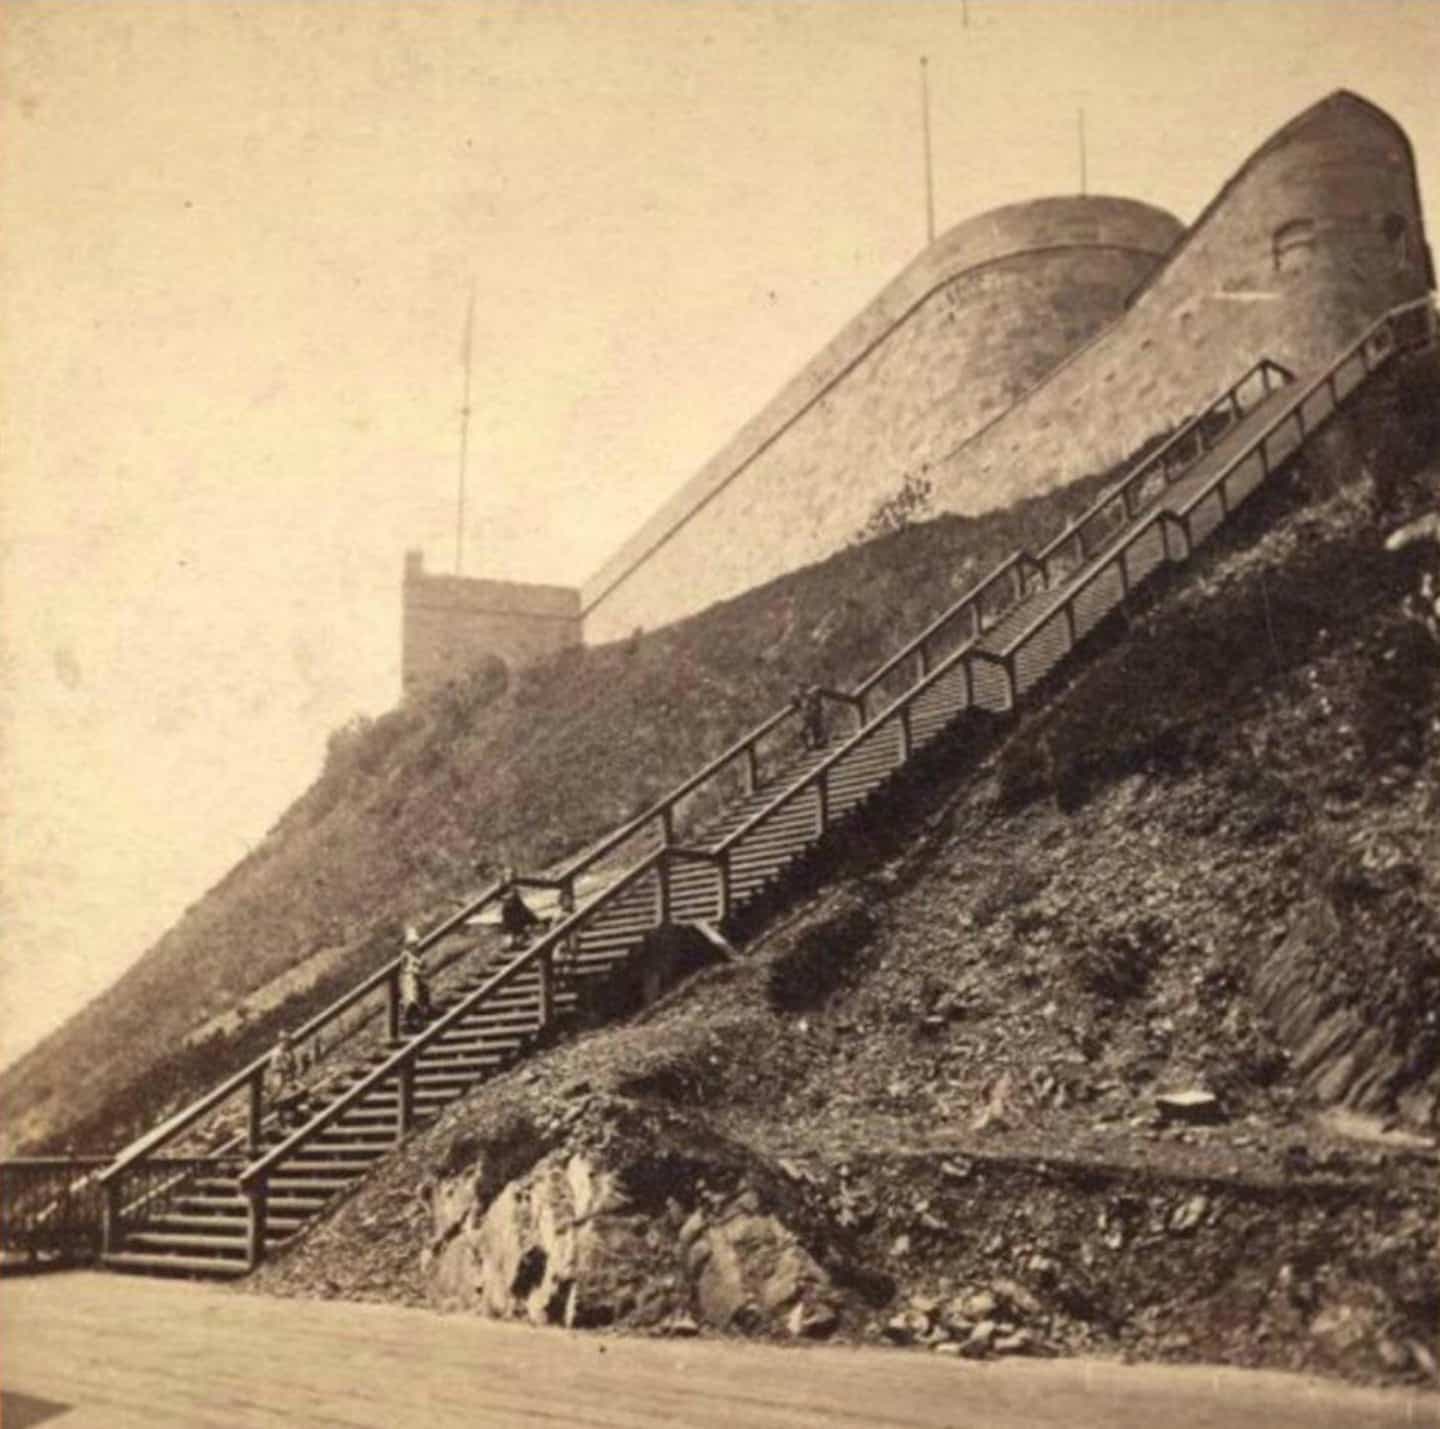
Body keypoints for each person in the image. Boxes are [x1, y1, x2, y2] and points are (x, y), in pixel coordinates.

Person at [268, 1029, 307, 1130]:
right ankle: (285, 1120)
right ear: (282, 1041)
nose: (289, 1044)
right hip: (279, 1082)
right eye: (287, 1041)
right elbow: (278, 1073)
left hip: (288, 1081)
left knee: (302, 1091)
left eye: (290, 1041)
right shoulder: (277, 1054)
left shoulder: (289, 1053)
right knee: (287, 1096)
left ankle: (293, 1117)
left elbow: (293, 1070)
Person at [399, 926, 431, 1033]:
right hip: (410, 979)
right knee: (411, 997)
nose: (415, 947)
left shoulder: (417, 956)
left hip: (418, 979)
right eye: (412, 945)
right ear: (407, 946)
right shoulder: (406, 955)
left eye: (415, 944)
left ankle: (420, 1017)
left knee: (423, 991)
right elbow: (406, 968)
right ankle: (411, 1021)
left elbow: (422, 966)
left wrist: (421, 965)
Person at [499, 870, 541, 951]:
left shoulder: (518, 904)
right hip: (515, 931)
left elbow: (528, 916)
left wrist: (530, 927)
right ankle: (518, 938)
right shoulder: (506, 910)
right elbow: (506, 926)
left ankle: (522, 937)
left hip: (523, 929)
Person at [793, 683, 826, 751]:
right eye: (798, 689)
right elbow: (795, 703)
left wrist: (816, 710)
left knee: (815, 730)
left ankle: (816, 743)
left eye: (801, 689)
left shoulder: (810, 696)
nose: (800, 691)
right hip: (806, 717)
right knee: (801, 732)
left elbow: (818, 705)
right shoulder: (799, 698)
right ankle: (807, 746)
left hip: (812, 716)